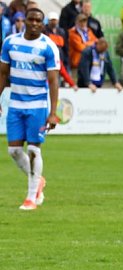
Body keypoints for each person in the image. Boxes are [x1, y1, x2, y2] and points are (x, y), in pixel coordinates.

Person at [0, 7, 59, 211]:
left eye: (38, 21)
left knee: (34, 149)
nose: (34, 23)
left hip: (37, 105)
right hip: (15, 103)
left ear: (42, 24)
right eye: (31, 19)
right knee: (14, 151)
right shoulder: (10, 42)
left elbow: (53, 82)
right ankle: (38, 181)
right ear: (25, 20)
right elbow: (2, 74)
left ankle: (31, 198)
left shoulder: (48, 47)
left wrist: (52, 112)